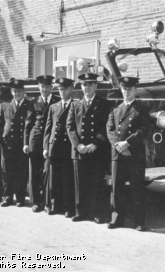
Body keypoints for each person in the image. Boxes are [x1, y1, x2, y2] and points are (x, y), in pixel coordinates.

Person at [106, 76, 151, 231]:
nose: (126, 92)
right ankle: (117, 219)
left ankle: (139, 221)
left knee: (136, 188)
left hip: (134, 154)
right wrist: (118, 145)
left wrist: (127, 143)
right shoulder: (116, 109)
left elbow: (144, 130)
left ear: (135, 90)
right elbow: (110, 130)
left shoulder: (142, 109)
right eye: (124, 89)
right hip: (118, 154)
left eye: (129, 89)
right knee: (117, 188)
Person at [66, 72, 110, 223]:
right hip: (79, 151)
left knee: (97, 183)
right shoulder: (75, 105)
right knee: (80, 183)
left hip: (96, 150)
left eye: (90, 84)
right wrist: (78, 145)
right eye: (84, 84)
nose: (87, 87)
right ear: (81, 87)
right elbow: (70, 127)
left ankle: (97, 213)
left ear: (95, 86)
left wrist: (95, 144)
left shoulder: (104, 104)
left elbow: (106, 126)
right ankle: (80, 212)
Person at [23, 75, 61, 213]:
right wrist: (26, 143)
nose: (44, 89)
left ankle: (47, 202)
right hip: (35, 139)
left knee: (47, 171)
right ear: (39, 88)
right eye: (42, 87)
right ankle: (36, 202)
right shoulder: (33, 102)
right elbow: (28, 123)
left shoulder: (57, 101)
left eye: (47, 86)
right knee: (33, 171)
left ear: (51, 88)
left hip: (50, 140)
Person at [0, 79, 30, 207]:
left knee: (21, 172)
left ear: (24, 91)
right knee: (6, 172)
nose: (17, 93)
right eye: (15, 91)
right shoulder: (5, 105)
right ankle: (7, 197)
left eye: (19, 91)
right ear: (11, 92)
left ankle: (20, 198)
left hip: (21, 143)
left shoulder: (28, 104)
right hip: (7, 143)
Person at [43, 77, 75, 217]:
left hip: (68, 147)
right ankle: (54, 206)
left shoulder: (76, 105)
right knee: (53, 179)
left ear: (71, 89)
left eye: (65, 89)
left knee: (67, 179)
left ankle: (68, 208)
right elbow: (48, 129)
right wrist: (45, 147)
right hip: (54, 147)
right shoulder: (53, 107)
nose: (62, 92)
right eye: (60, 89)